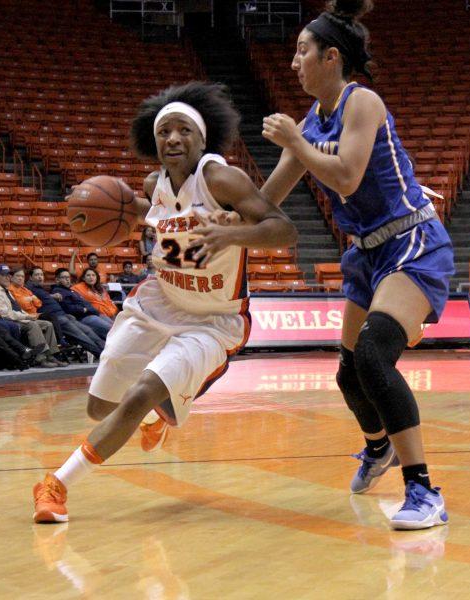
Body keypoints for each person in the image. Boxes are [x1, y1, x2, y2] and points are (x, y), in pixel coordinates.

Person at [31, 81, 297, 524]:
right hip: (159, 303)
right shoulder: (154, 183)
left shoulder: (221, 178)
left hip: (212, 319)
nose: (173, 139)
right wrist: (97, 206)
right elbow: (145, 212)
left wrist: (233, 233)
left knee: (141, 393)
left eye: (183, 131)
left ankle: (56, 485)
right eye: (164, 132)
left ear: (202, 137)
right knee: (99, 406)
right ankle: (161, 412)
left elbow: (284, 229)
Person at [254, 0, 454, 530]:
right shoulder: (309, 122)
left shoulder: (361, 101)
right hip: (367, 252)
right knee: (348, 374)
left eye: (302, 50)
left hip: (412, 241)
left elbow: (345, 176)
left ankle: (424, 492)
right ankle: (378, 445)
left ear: (331, 56)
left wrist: (297, 142)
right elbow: (264, 201)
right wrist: (209, 219)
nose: (293, 62)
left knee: (373, 355)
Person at [0, 264, 63, 368]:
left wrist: (28, 315)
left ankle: (51, 355)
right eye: (4, 275)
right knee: (33, 325)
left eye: (8, 275)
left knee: (47, 324)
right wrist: (27, 317)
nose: (7, 277)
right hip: (8, 320)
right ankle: (40, 358)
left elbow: (22, 306)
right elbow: (6, 313)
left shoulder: (5, 289)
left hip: (18, 317)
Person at [25, 267, 105, 358]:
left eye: (41, 275)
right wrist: (52, 295)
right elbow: (31, 299)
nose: (40, 277)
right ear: (30, 278)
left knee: (88, 331)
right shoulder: (29, 288)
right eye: (37, 275)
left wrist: (51, 296)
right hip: (55, 317)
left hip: (64, 315)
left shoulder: (41, 288)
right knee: (80, 335)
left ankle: (106, 351)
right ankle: (101, 354)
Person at [52, 268, 114, 339]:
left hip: (95, 313)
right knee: (111, 329)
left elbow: (85, 303)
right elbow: (69, 308)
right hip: (84, 317)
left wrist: (88, 309)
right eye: (64, 277)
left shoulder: (72, 291)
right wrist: (84, 309)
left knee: (116, 327)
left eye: (68, 277)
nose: (67, 279)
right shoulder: (63, 291)